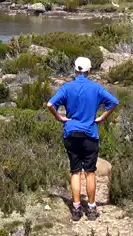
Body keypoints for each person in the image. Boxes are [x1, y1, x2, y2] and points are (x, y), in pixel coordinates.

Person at [46, 56, 119, 221]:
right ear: (89, 71)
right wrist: (102, 117)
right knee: (90, 173)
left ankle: (76, 208)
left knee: (75, 172)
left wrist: (60, 118)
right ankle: (92, 208)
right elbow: (114, 102)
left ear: (75, 70)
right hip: (90, 134)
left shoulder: (67, 87)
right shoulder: (96, 88)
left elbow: (50, 105)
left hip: (71, 133)